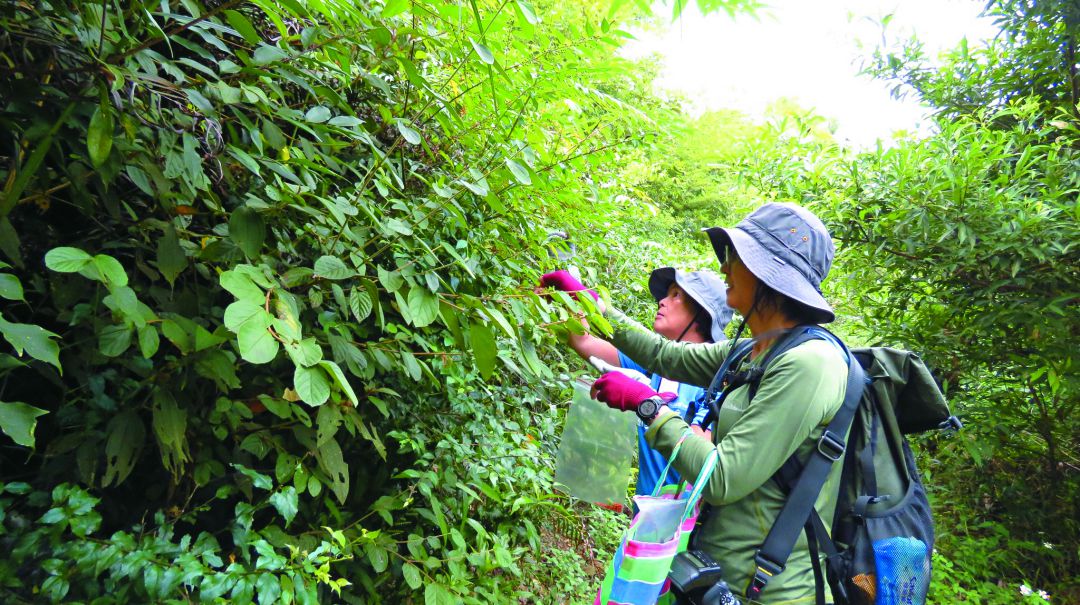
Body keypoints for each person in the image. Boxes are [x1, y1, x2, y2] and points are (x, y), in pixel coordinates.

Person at [546, 203, 847, 604]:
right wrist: (593, 305)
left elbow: (723, 478)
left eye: (735, 258)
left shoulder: (810, 364)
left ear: (766, 275)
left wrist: (648, 406)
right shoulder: (755, 350)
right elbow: (664, 355)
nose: (725, 269)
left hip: (767, 592)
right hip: (711, 576)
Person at [540, 267, 733, 497]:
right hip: (645, 521)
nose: (662, 301)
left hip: (683, 528)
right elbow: (583, 342)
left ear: (702, 312)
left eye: (676, 295)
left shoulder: (716, 382)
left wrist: (648, 402)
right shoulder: (656, 370)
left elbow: (700, 465)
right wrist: (573, 295)